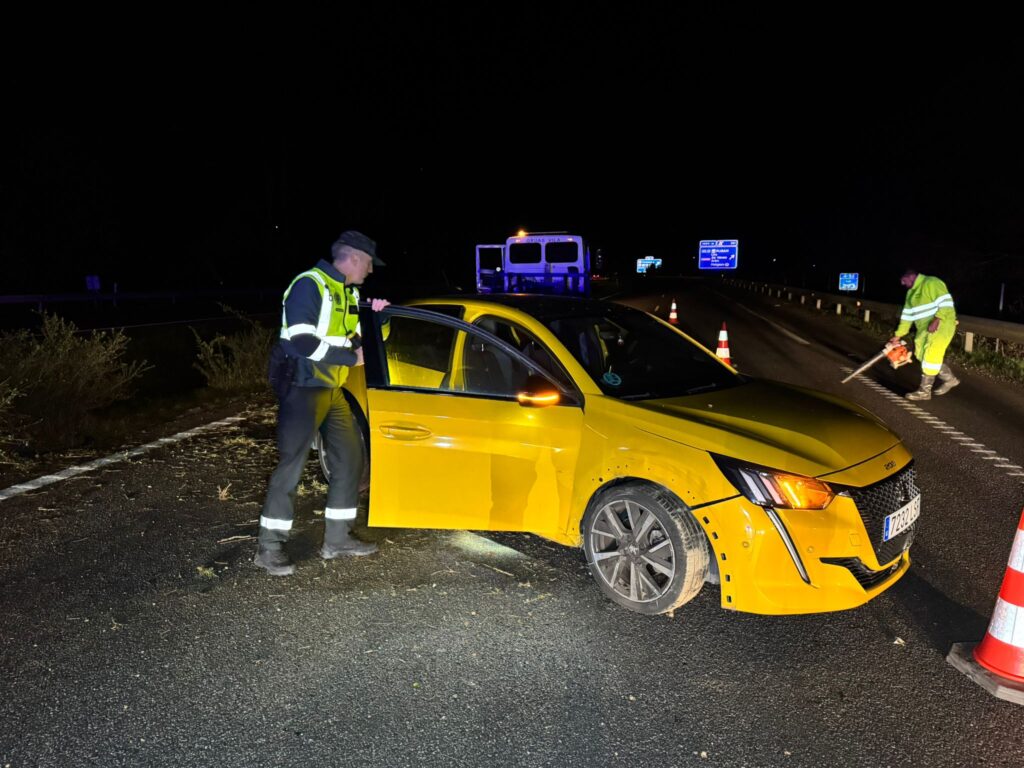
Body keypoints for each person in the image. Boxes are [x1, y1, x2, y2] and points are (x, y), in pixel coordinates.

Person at [255, 230, 390, 576]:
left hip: (332, 390)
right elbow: (301, 341)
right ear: (355, 258)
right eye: (370, 264)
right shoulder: (309, 285)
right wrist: (349, 358)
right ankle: (269, 548)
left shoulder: (347, 292)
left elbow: (358, 341)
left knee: (350, 459)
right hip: (302, 389)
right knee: (292, 465)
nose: (371, 271)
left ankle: (338, 539)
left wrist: (379, 318)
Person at [888, 267, 959, 401]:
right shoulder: (910, 294)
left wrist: (937, 319)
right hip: (924, 329)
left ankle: (924, 391)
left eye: (903, 280)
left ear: (911, 276)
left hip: (941, 324)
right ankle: (950, 379)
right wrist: (897, 336)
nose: (902, 284)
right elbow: (907, 317)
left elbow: (946, 303)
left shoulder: (931, 282)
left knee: (931, 354)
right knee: (921, 355)